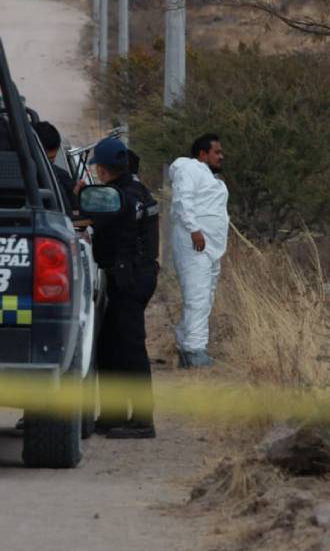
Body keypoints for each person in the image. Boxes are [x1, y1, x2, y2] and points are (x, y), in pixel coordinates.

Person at [88, 137, 160, 439]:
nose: (96, 173)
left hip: (129, 278)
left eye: (98, 168)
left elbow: (99, 224)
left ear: (105, 169)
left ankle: (143, 420)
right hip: (135, 275)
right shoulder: (138, 191)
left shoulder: (119, 197)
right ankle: (113, 414)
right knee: (109, 346)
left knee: (129, 349)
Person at [169, 133, 228, 369]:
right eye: (217, 152)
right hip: (195, 245)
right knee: (197, 296)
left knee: (205, 296)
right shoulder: (190, 169)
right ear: (203, 154)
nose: (221, 156)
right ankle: (195, 350)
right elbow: (183, 201)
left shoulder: (206, 175)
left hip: (209, 247)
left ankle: (187, 347)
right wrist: (194, 229)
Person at [34, 120, 79, 211]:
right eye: (42, 159)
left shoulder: (61, 177)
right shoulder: (58, 176)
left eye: (51, 159)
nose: (47, 164)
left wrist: (76, 193)